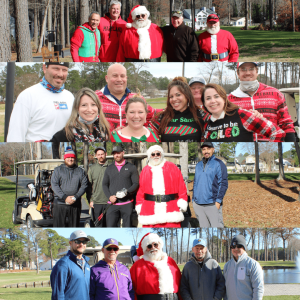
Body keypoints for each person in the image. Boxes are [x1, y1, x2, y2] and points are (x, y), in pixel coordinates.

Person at [228, 62, 296, 141]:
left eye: (251, 69)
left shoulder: (275, 93)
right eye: (243, 69)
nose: (247, 73)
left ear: (257, 71)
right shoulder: (230, 99)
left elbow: (286, 123)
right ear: (238, 73)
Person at [7, 62, 73, 142]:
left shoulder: (70, 96)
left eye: (64, 70)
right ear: (45, 68)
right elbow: (15, 135)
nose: (60, 74)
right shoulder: (27, 95)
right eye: (56, 69)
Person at [202, 83, 286, 142]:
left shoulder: (241, 114)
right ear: (204, 103)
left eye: (216, 97)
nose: (213, 101)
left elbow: (277, 132)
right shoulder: (206, 122)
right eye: (208, 98)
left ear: (224, 99)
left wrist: (270, 149)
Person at [95, 63, 161, 131]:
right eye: (115, 76)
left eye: (122, 76)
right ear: (107, 78)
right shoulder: (94, 98)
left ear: (126, 78)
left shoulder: (136, 98)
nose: (119, 79)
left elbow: (155, 115)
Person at [136, 145, 188, 228]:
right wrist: (139, 205)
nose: (155, 156)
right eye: (153, 154)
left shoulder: (172, 167)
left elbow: (181, 187)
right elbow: (140, 191)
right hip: (149, 211)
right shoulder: (145, 171)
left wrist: (182, 202)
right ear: (149, 156)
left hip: (171, 210)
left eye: (158, 153)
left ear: (161, 154)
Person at [151, 76, 209, 142]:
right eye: (171, 96)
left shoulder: (201, 114)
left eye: (178, 95)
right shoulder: (162, 116)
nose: (174, 99)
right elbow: (148, 133)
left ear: (187, 95)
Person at [130, 233, 182, 299]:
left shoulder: (170, 261)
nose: (153, 248)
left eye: (155, 244)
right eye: (149, 246)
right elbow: (131, 289)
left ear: (160, 245)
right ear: (145, 249)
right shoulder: (137, 266)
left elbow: (180, 284)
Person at [192, 142, 228, 228]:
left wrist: (218, 201)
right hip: (198, 204)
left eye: (208, 148)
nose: (206, 151)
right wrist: (194, 199)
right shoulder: (198, 165)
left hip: (212, 203)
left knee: (217, 228)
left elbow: (223, 183)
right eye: (204, 149)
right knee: (204, 229)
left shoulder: (219, 164)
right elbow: (196, 182)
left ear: (213, 149)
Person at [102, 145, 139, 227]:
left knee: (127, 228)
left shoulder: (131, 167)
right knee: (110, 227)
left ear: (123, 153)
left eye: (118, 153)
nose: (116, 155)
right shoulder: (109, 168)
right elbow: (104, 184)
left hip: (127, 203)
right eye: (114, 154)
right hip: (112, 204)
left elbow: (136, 183)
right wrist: (109, 197)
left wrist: (126, 192)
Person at [51, 147, 88, 227]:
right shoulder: (58, 170)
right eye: (68, 157)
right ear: (65, 158)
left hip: (75, 204)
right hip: (60, 203)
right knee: (59, 227)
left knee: (74, 226)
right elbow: (54, 185)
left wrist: (75, 197)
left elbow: (84, 185)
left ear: (74, 159)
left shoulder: (80, 171)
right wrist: (65, 197)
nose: (70, 159)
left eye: (72, 157)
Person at [51, 230, 90, 300]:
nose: (81, 244)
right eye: (78, 241)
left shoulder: (86, 264)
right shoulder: (63, 264)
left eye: (84, 242)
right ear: (70, 243)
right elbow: (58, 294)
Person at [224, 235, 264, 300]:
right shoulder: (227, 266)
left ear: (244, 247)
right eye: (233, 246)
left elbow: (258, 288)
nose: (236, 249)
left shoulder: (253, 265)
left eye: (239, 246)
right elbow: (225, 288)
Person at [86, 147, 109, 227]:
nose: (100, 156)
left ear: (105, 154)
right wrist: (90, 200)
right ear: (96, 156)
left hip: (109, 202)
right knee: (98, 226)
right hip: (97, 202)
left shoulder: (112, 167)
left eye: (102, 154)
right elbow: (88, 186)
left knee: (110, 226)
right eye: (98, 155)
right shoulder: (92, 168)